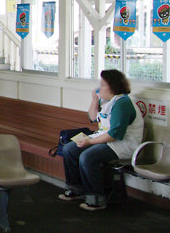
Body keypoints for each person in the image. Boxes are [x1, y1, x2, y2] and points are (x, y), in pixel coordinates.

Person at [59, 69, 143, 211]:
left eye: (103, 84)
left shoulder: (123, 103)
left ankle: (96, 199)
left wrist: (89, 142)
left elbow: (114, 135)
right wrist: (94, 99)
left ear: (113, 87)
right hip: (106, 139)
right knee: (69, 149)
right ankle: (76, 188)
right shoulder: (110, 101)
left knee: (87, 156)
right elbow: (92, 117)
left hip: (122, 144)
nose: (99, 87)